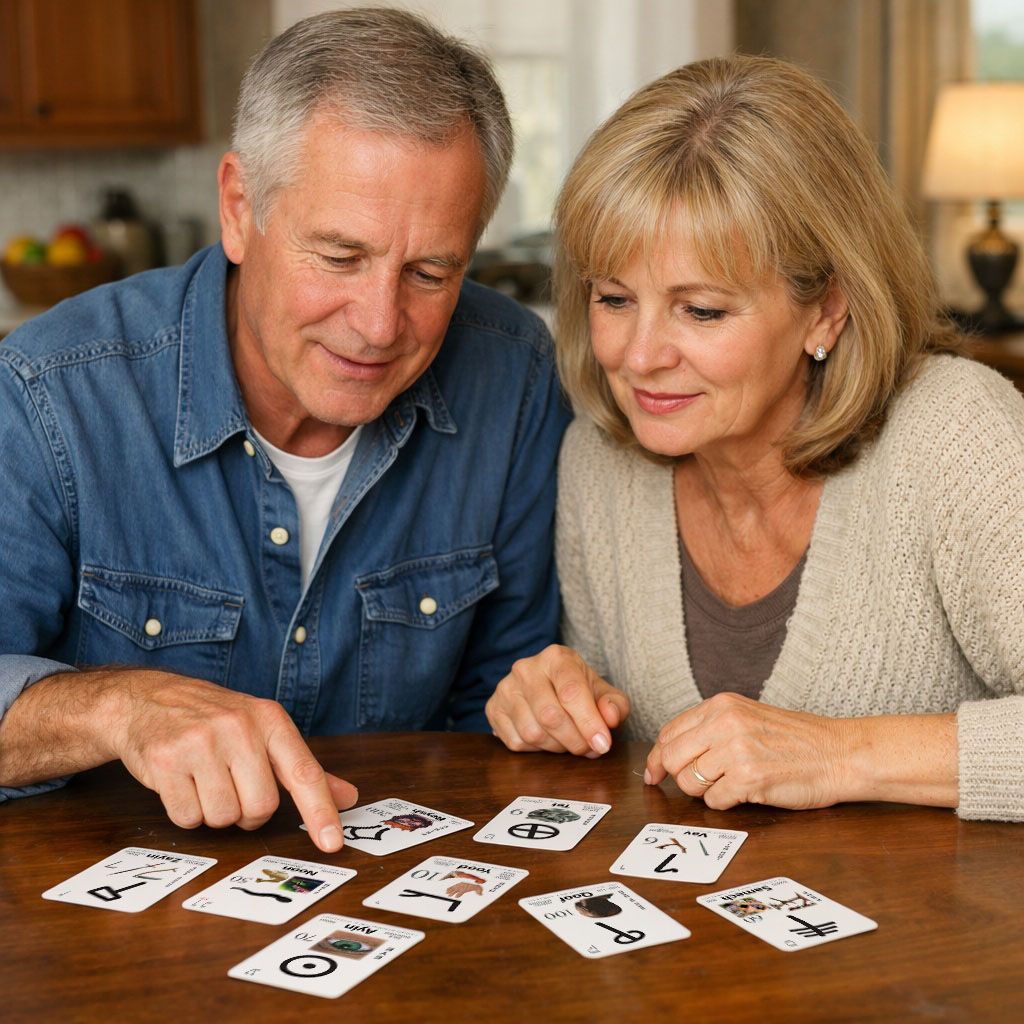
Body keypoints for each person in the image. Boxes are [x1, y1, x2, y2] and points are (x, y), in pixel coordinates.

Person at [0, 8, 570, 850]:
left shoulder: (514, 373)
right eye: (339, 256)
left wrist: (546, 706)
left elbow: (503, 713)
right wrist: (118, 708)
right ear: (238, 208)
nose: (380, 324)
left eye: (430, 271)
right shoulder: (50, 391)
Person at [485, 55, 1024, 822]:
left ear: (826, 310)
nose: (637, 358)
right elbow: (626, 783)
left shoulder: (955, 435)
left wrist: (839, 754)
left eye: (700, 311)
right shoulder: (598, 464)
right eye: (613, 298)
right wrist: (556, 704)